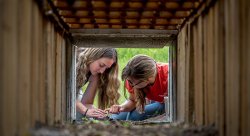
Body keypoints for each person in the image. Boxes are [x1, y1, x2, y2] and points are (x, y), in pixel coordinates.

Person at [108, 54, 168, 121]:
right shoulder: (132, 78)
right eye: (129, 81)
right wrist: (121, 107)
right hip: (154, 99)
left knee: (135, 116)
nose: (131, 85)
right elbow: (133, 101)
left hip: (167, 103)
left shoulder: (167, 75)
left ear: (148, 79)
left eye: (133, 83)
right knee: (115, 117)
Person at [76, 48, 120, 120]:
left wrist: (99, 114)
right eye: (101, 65)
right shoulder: (74, 62)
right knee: (77, 115)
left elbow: (87, 103)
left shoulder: (95, 73)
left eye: (106, 68)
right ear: (93, 56)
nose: (102, 71)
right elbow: (64, 95)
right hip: (60, 94)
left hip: (74, 95)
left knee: (88, 118)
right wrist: (85, 111)